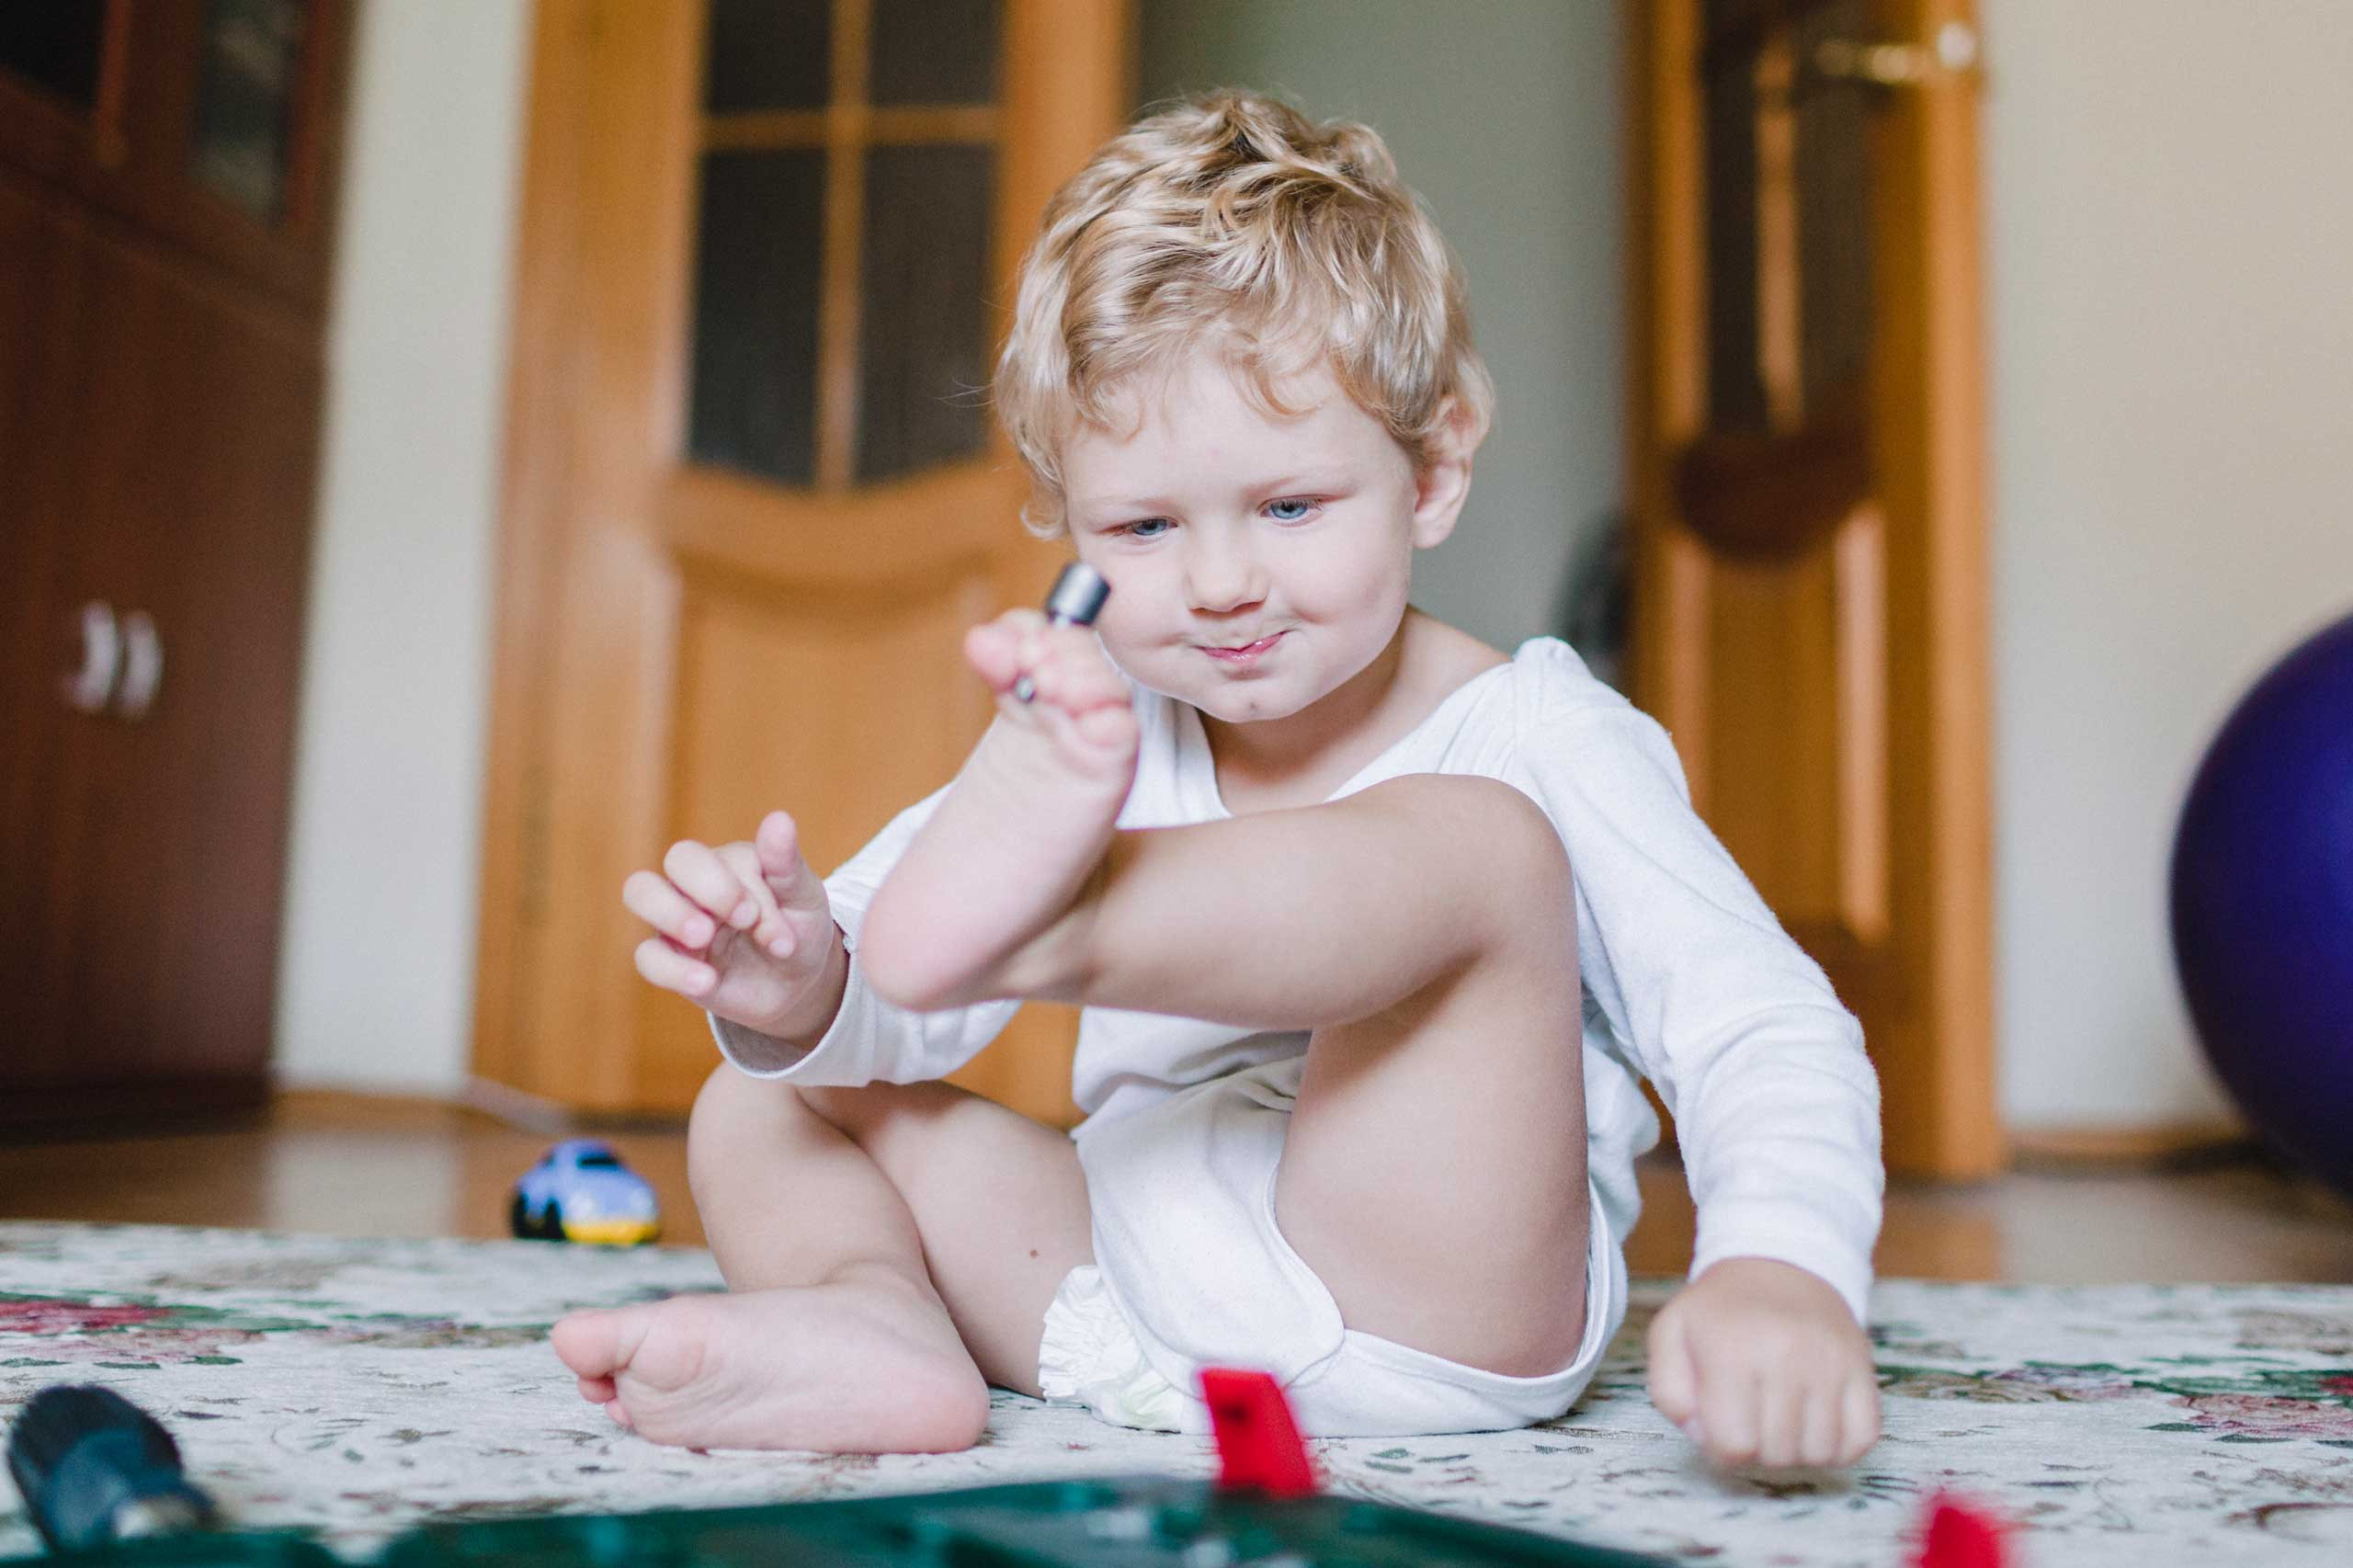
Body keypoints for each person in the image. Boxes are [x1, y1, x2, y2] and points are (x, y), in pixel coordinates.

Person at [551, 90, 1884, 1471]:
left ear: (1433, 468)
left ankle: (1069, 919)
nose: (1224, 583)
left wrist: (1783, 1267)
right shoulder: (1097, 722)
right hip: (1122, 1294)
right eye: (1144, 526)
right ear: (1063, 522)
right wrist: (804, 991)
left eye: (1290, 506)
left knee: (1487, 852)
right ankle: (877, 1325)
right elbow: (895, 965)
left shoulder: (1541, 733)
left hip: (1427, 1310)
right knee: (759, 1094)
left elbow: (1761, 1027)